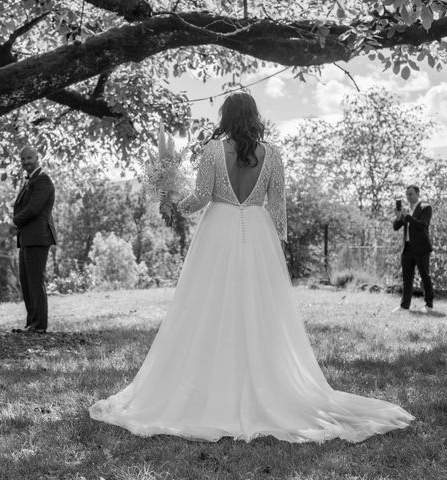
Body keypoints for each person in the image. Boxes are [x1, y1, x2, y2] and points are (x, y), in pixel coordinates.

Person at [89, 92, 413, 443]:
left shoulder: (212, 151)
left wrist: (174, 205)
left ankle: (210, 384)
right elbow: (278, 205)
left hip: (218, 230)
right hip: (258, 232)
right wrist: (275, 246)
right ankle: (262, 380)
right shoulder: (272, 154)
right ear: (254, 116)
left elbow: (200, 197)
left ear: (226, 116)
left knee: (207, 305)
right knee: (260, 310)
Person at [12, 146, 57, 334]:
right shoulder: (29, 181)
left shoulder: (43, 180)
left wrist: (14, 222)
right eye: (22, 159)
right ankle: (31, 323)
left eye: (29, 157)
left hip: (38, 238)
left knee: (35, 281)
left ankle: (39, 326)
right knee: (26, 281)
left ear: (38, 157)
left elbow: (34, 209)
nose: (25, 162)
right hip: (27, 238)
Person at [392, 185, 434, 313]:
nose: (408, 197)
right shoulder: (406, 210)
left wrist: (408, 216)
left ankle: (428, 305)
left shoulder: (426, 208)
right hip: (408, 248)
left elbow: (422, 225)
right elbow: (396, 227)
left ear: (417, 194)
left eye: (411, 194)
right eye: (407, 194)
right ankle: (404, 306)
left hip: (422, 248)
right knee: (407, 278)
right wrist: (399, 217)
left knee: (425, 277)